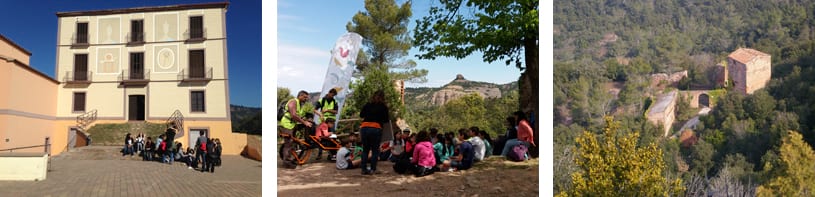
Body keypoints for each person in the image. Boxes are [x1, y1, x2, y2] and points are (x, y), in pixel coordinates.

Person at [279, 90, 313, 169]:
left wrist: (306, 120)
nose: (306, 99)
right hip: (287, 125)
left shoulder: (299, 104)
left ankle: (291, 159)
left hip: (292, 125)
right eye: (305, 97)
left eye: (307, 98)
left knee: (292, 143)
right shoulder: (293, 102)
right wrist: (304, 122)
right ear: (300, 96)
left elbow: (297, 116)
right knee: (288, 144)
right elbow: (293, 115)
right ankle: (287, 163)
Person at [358, 90, 389, 175]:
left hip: (364, 127)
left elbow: (361, 115)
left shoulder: (368, 105)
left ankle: (363, 169)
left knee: (365, 150)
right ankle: (373, 169)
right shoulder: (383, 107)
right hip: (375, 128)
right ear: (383, 97)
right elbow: (386, 120)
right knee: (375, 150)